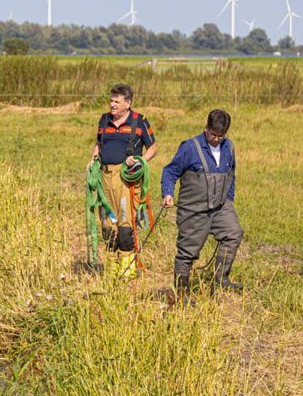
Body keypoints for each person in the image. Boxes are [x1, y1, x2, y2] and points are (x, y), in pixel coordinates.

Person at [161, 109, 243, 292]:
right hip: (194, 209)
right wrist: (168, 193)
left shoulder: (228, 147)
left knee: (234, 232)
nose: (216, 139)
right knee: (188, 251)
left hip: (221, 207)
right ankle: (181, 293)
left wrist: (229, 199)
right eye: (213, 134)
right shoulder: (189, 147)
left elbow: (232, 174)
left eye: (221, 136)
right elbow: (170, 171)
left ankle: (220, 278)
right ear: (206, 128)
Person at [86, 84, 158, 278]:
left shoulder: (140, 121)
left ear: (128, 103)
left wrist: (140, 160)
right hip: (104, 178)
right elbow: (99, 144)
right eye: (111, 101)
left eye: (117, 102)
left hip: (126, 179)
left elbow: (152, 148)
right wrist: (93, 158)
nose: (112, 105)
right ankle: (111, 265)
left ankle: (127, 266)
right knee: (108, 223)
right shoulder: (104, 120)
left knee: (125, 223)